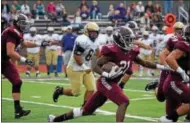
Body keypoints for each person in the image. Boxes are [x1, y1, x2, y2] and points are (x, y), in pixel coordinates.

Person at [48, 26, 171, 122]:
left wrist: (162, 66)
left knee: (85, 111)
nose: (130, 42)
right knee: (124, 102)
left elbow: (144, 62)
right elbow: (94, 65)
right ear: (119, 40)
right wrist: (105, 74)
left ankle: (55, 119)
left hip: (111, 82)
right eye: (127, 40)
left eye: (130, 39)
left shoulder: (132, 51)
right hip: (105, 81)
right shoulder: (113, 51)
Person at [1, 13, 49, 119]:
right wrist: (25, 60)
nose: (24, 25)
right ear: (16, 23)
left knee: (17, 82)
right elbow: (10, 52)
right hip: (3, 59)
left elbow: (24, 44)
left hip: (4, 61)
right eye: (22, 23)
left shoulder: (17, 32)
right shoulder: (12, 32)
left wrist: (39, 44)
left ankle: (18, 110)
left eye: (24, 23)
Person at [52, 22, 100, 107]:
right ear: (86, 31)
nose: (94, 34)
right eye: (92, 32)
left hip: (86, 69)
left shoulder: (96, 42)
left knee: (92, 89)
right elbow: (76, 56)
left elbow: (98, 54)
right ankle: (60, 91)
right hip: (75, 68)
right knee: (76, 93)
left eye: (95, 32)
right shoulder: (82, 39)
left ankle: (85, 108)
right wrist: (85, 67)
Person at [160, 24, 190, 122]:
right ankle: (169, 117)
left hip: (176, 83)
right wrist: (181, 72)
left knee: (172, 118)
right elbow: (169, 58)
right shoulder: (184, 45)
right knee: (170, 118)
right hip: (174, 83)